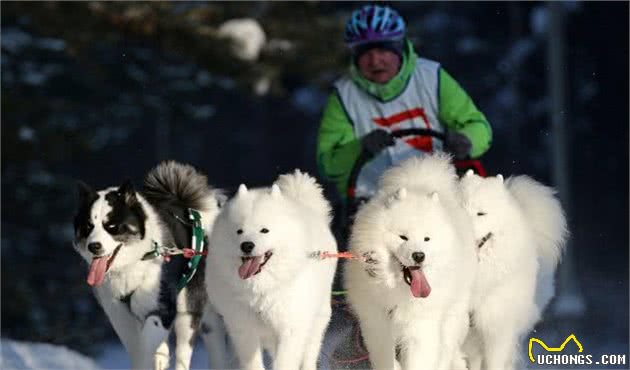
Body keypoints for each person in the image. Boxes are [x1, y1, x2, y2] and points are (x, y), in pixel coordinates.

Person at [317, 4, 492, 200]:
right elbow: (329, 164)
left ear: (398, 48)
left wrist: (467, 140)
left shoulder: (432, 78)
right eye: (365, 53)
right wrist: (360, 148)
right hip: (372, 200)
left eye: (383, 50)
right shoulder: (343, 96)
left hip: (435, 194)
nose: (375, 61)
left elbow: (478, 127)